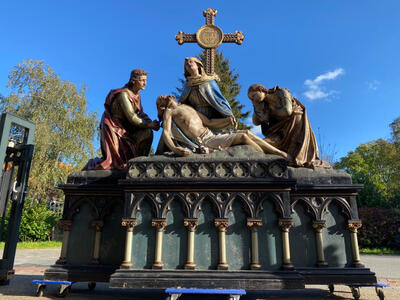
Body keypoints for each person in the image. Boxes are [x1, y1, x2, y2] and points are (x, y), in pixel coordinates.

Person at [156, 94, 290, 158]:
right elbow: (166, 133)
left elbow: (208, 121)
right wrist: (175, 149)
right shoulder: (169, 112)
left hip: (211, 134)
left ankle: (277, 153)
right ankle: (269, 157)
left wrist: (227, 121)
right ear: (162, 106)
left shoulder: (186, 106)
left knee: (247, 133)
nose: (164, 95)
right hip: (204, 141)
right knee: (243, 136)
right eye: (160, 98)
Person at [85, 69, 160, 170]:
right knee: (114, 163)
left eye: (145, 80)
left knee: (147, 133)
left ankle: (138, 164)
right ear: (134, 80)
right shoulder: (123, 95)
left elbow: (140, 113)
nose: (145, 83)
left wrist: (151, 123)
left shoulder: (137, 95)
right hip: (114, 127)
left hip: (128, 127)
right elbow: (132, 116)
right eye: (142, 80)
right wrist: (148, 124)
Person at [248, 84, 330, 168]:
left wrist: (270, 113)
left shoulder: (280, 92)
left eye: (254, 96)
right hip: (278, 130)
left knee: (294, 154)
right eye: (251, 99)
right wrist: (256, 107)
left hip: (294, 123)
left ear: (261, 90)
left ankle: (294, 159)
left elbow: (287, 111)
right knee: (263, 143)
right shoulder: (262, 105)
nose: (253, 99)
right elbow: (255, 122)